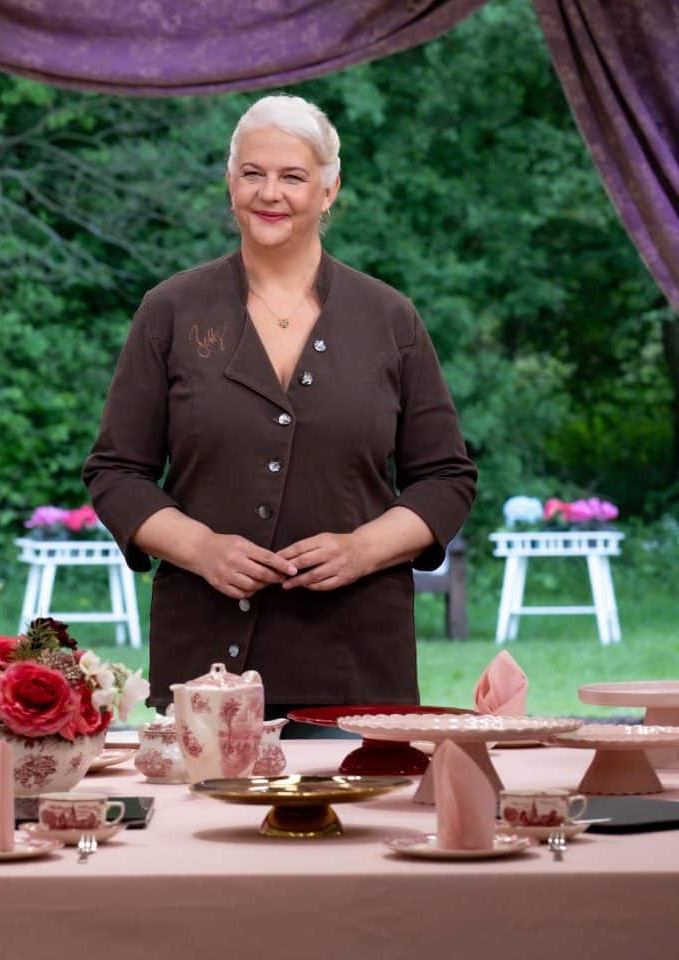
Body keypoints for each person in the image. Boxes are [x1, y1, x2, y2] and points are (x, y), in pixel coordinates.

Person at [83, 95, 476, 725]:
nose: (271, 193)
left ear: (328, 191)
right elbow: (115, 472)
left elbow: (447, 480)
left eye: (293, 176)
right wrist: (200, 547)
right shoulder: (170, 311)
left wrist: (364, 548)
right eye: (253, 173)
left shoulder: (390, 319)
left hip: (359, 667)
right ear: (230, 184)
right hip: (205, 668)